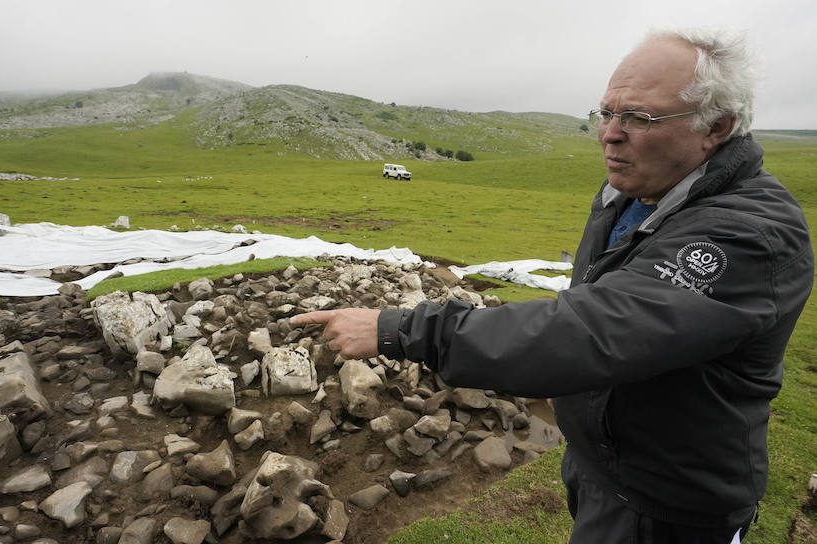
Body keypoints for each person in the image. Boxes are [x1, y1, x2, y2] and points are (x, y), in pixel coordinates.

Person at [291, 27, 814, 543]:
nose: (610, 133)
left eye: (638, 117)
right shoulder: (633, 193)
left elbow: (594, 329)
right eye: (606, 113)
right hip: (605, 466)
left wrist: (401, 329)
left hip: (669, 503)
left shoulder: (750, 235)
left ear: (715, 127)